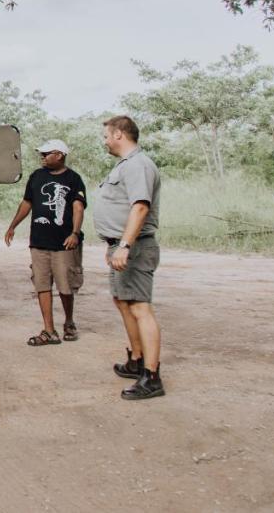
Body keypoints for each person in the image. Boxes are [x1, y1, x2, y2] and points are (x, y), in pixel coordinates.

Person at [96, 115, 164, 400]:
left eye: (106, 135)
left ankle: (152, 376)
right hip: (120, 245)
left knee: (139, 307)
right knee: (123, 301)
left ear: (119, 134)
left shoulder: (138, 165)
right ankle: (136, 360)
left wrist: (124, 245)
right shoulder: (126, 165)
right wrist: (113, 243)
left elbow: (139, 207)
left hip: (134, 247)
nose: (104, 140)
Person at [4, 139, 87, 346]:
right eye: (41, 154)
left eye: (46, 153)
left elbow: (78, 208)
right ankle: (49, 330)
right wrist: (13, 225)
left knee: (65, 286)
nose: (42, 157)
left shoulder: (73, 179)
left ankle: (68, 321)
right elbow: (27, 203)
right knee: (42, 285)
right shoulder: (37, 176)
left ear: (59, 155)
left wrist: (75, 233)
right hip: (39, 242)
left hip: (63, 243)